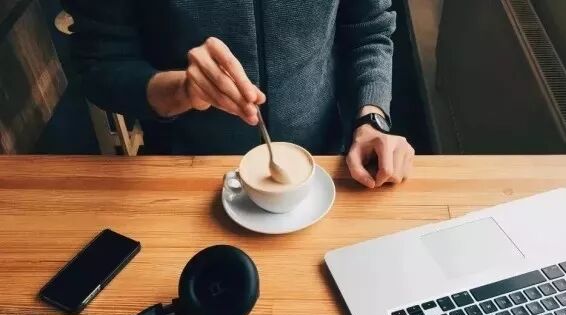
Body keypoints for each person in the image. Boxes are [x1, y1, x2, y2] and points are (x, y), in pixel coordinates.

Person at [63, 0, 415, 188]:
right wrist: (179, 90)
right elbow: (100, 63)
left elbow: (369, 31)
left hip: (325, 166)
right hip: (188, 174)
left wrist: (371, 119)